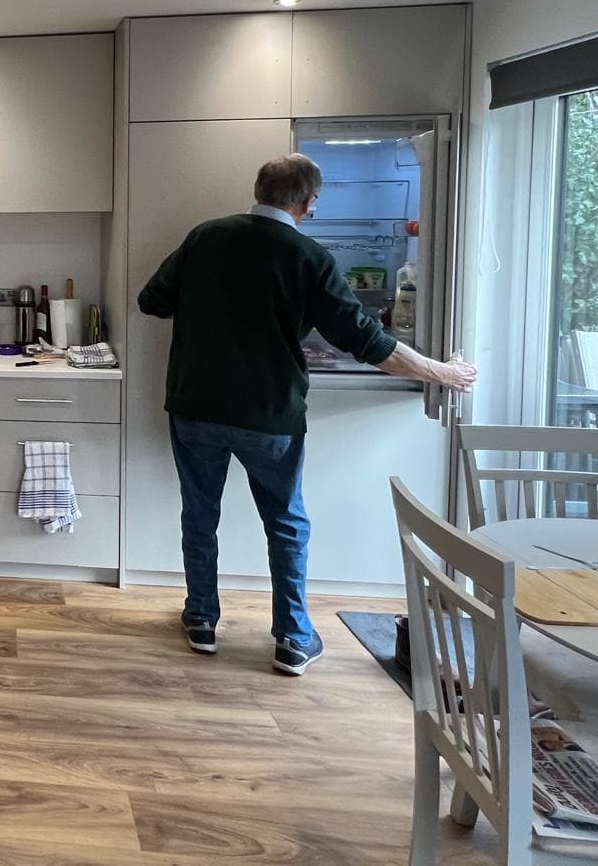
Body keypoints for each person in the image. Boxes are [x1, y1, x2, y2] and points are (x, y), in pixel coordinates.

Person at [137, 153, 476, 676]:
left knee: (199, 516)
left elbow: (152, 300)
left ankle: (202, 620)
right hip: (269, 414)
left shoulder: (205, 236)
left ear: (258, 188)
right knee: (286, 524)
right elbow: (368, 342)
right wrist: (444, 373)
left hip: (195, 405)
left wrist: (210, 305)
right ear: (308, 203)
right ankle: (293, 639)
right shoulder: (309, 257)